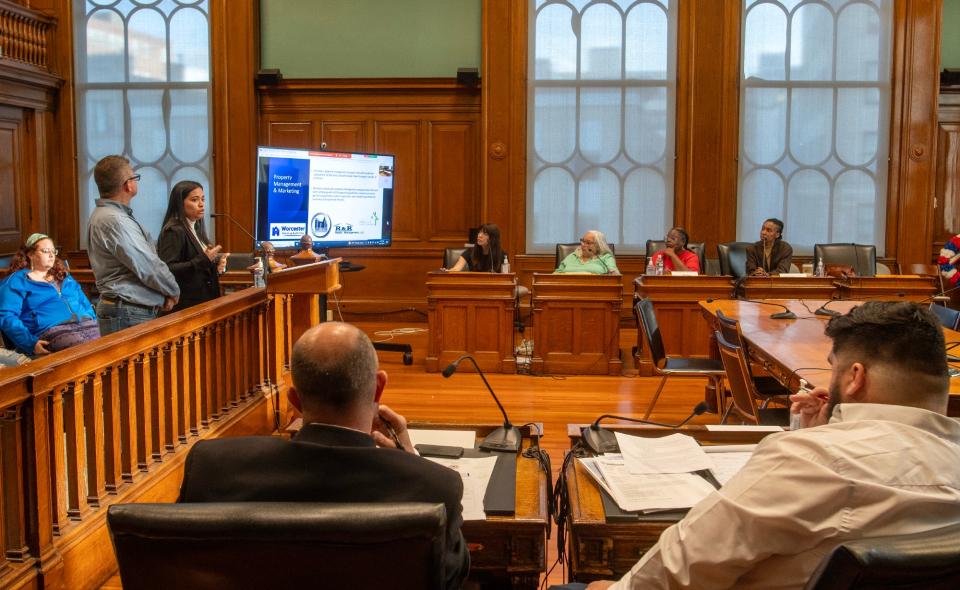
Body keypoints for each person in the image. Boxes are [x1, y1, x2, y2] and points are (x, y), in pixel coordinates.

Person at [582, 301, 960, 590]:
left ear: (856, 377)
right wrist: (816, 434)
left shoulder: (815, 461)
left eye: (834, 368)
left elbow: (682, 564)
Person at [177, 322, 470, 590]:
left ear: (294, 401)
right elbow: (449, 578)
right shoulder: (434, 487)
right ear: (378, 387)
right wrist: (411, 460)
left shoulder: (211, 467)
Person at [87, 155, 180, 334]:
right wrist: (172, 290)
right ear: (127, 184)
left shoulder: (106, 215)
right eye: (134, 177)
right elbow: (147, 265)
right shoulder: (114, 219)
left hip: (126, 309)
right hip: (127, 310)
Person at [0, 233, 100, 355]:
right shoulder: (17, 281)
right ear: (30, 254)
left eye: (54, 251)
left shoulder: (64, 277)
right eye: (46, 251)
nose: (52, 255)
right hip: (49, 330)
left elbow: (85, 303)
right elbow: (7, 316)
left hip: (85, 324)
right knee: (85, 351)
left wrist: (93, 321)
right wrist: (31, 344)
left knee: (110, 345)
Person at [157, 180, 227, 311]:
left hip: (204, 301)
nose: (201, 204)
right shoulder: (174, 230)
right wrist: (204, 260)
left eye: (203, 199)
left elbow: (198, 268)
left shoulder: (196, 228)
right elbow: (168, 268)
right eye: (194, 200)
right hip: (186, 305)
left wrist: (216, 267)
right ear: (180, 204)